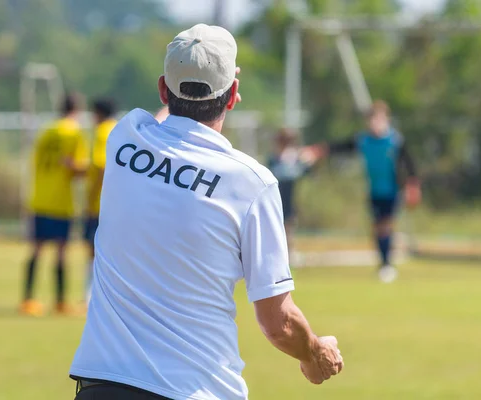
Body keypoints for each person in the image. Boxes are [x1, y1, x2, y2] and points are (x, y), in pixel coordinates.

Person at [70, 24, 343, 400]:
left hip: (101, 386)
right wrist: (314, 353)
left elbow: (165, 116)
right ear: (233, 96)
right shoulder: (251, 183)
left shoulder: (125, 138)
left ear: (163, 88)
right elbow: (278, 322)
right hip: (194, 391)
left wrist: (192, 77)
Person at [305, 100, 421, 283]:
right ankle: (384, 263)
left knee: (385, 226)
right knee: (377, 228)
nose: (376, 123)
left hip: (392, 190)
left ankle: (386, 265)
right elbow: (341, 147)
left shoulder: (395, 140)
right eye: (372, 120)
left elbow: (409, 164)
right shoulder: (363, 140)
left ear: (386, 120)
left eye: (380, 119)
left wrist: (412, 185)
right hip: (374, 191)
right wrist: (320, 150)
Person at [21, 93, 89, 317]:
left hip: (40, 198)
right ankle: (60, 302)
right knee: (61, 252)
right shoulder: (74, 132)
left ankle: (28, 299)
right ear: (77, 110)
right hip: (61, 201)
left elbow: (36, 161)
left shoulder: (46, 131)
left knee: (36, 250)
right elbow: (77, 169)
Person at [83, 99, 118, 302]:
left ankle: (91, 295)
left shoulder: (102, 132)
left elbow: (100, 166)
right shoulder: (120, 130)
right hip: (119, 204)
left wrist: (91, 197)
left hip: (100, 204)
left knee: (93, 249)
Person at [268, 128, 313, 251]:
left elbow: (304, 172)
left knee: (289, 227)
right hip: (276, 196)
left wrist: (306, 162)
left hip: (289, 196)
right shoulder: (274, 158)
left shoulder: (295, 157)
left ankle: (289, 255)